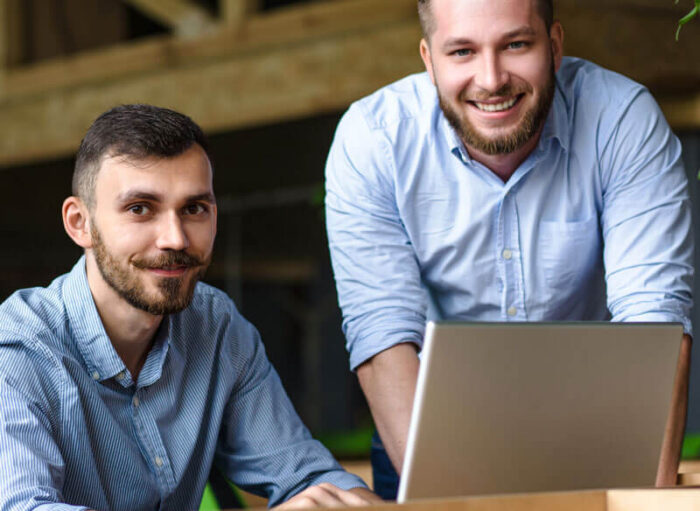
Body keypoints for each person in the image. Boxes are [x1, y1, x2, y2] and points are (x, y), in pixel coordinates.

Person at [325, 0, 694, 500]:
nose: (492, 78)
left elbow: (656, 323)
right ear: (429, 60)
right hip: (428, 436)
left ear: (555, 45)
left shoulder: (621, 120)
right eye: (461, 51)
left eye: (516, 44)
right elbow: (382, 336)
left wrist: (644, 503)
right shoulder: (372, 141)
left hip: (599, 435)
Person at [0, 104, 382, 511]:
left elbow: (305, 475)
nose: (176, 239)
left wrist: (356, 503)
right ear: (80, 223)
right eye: (140, 209)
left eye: (194, 208)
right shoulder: (17, 351)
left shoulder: (216, 327)